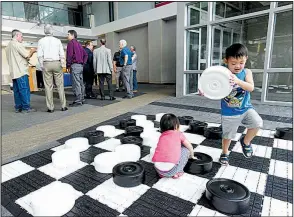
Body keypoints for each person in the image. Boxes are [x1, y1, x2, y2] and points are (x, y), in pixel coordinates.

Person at [200, 43, 263, 165]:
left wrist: (238, 81)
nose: (238, 66)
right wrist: (205, 91)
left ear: (246, 60)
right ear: (226, 61)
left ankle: (245, 142)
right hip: (229, 112)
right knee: (228, 135)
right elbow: (212, 87)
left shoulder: (246, 72)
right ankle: (224, 152)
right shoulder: (222, 73)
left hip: (246, 108)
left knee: (257, 123)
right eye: (233, 63)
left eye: (241, 62)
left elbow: (250, 87)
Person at [152, 114, 196, 179]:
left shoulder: (162, 136)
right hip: (171, 171)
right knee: (185, 150)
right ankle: (178, 172)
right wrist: (192, 155)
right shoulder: (179, 134)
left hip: (158, 170)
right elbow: (189, 146)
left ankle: (163, 175)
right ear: (176, 126)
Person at [37, 24, 67, 113]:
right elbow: (62, 54)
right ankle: (63, 106)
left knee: (48, 86)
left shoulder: (41, 41)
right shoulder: (57, 41)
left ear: (44, 31)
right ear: (52, 31)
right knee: (60, 85)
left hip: (46, 64)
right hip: (57, 63)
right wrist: (62, 64)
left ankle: (50, 107)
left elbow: (39, 55)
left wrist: (42, 66)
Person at [6, 29, 37, 113]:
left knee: (16, 91)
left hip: (13, 72)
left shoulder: (8, 46)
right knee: (24, 89)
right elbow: (27, 56)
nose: (22, 38)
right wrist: (32, 51)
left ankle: (18, 107)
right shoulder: (17, 44)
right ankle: (26, 108)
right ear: (17, 36)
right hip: (21, 72)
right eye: (21, 36)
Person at [66, 30, 88, 107]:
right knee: (81, 83)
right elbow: (85, 55)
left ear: (72, 35)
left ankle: (78, 100)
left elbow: (69, 55)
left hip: (74, 65)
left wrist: (68, 65)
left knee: (76, 83)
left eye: (68, 34)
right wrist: (83, 63)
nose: (67, 36)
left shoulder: (71, 43)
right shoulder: (79, 44)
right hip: (80, 66)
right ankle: (82, 98)